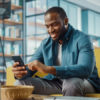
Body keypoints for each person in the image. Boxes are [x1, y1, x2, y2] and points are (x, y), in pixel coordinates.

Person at [12, 7, 100, 96]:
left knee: (71, 84)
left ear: (65, 21)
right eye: (47, 26)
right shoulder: (45, 44)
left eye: (54, 25)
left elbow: (85, 69)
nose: (50, 30)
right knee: (20, 84)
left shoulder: (82, 39)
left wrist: (50, 69)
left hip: (84, 81)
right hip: (56, 83)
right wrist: (20, 73)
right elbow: (30, 67)